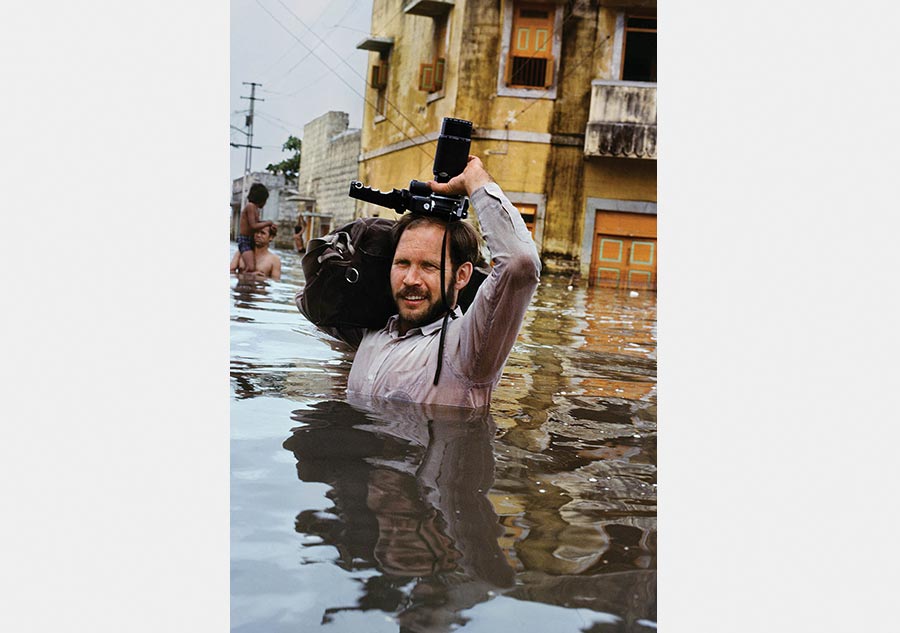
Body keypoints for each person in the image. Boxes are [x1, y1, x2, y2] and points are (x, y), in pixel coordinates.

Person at [306, 155, 541, 408]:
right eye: (402, 263)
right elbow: (311, 303)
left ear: (462, 275)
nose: (410, 279)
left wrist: (475, 181)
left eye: (429, 266)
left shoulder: (468, 349)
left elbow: (520, 265)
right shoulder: (370, 331)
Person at [237, 183, 274, 274]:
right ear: (261, 199)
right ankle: (244, 280)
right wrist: (268, 222)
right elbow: (253, 226)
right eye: (265, 200)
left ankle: (248, 282)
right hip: (245, 240)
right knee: (250, 267)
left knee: (254, 265)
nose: (265, 203)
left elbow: (257, 224)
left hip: (251, 240)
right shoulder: (250, 206)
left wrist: (269, 226)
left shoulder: (255, 209)